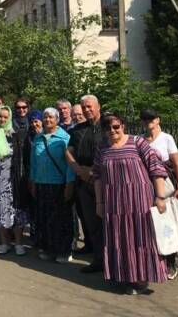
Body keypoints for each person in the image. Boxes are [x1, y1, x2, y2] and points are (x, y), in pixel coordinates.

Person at [94, 112, 169, 294]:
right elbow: (97, 176)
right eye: (107, 128)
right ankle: (125, 277)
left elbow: (156, 169)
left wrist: (159, 197)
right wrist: (100, 203)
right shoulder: (101, 148)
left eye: (116, 126)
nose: (112, 131)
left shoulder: (137, 143)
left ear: (123, 125)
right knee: (120, 239)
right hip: (114, 203)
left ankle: (141, 278)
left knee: (141, 238)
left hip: (139, 201)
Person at [141, 108, 178, 279]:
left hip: (166, 186)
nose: (148, 122)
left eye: (151, 118)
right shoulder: (141, 140)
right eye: (145, 119)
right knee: (152, 225)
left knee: (167, 225)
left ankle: (171, 263)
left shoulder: (166, 138)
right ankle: (156, 261)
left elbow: (176, 163)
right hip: (148, 187)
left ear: (158, 119)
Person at [0, 105, 29, 256]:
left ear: (9, 118)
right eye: (0, 116)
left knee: (16, 211)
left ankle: (19, 243)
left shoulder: (15, 135)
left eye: (5, 117)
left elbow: (21, 158)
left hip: (12, 180)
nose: (2, 119)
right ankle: (5, 242)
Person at [29, 107, 75, 263]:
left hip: (59, 185)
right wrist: (33, 181)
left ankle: (64, 250)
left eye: (51, 117)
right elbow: (33, 163)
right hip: (42, 184)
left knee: (61, 219)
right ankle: (48, 249)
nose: (48, 120)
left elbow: (70, 164)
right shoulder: (38, 138)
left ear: (57, 119)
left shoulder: (65, 138)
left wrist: (69, 184)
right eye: (45, 117)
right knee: (44, 219)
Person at [66, 94, 105, 272]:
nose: (86, 110)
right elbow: (68, 151)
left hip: (106, 181)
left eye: (89, 106)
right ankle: (98, 260)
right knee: (91, 223)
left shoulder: (109, 126)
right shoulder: (77, 130)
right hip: (84, 182)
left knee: (108, 223)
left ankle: (113, 262)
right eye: (84, 107)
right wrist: (78, 170)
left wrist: (96, 171)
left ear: (98, 107)